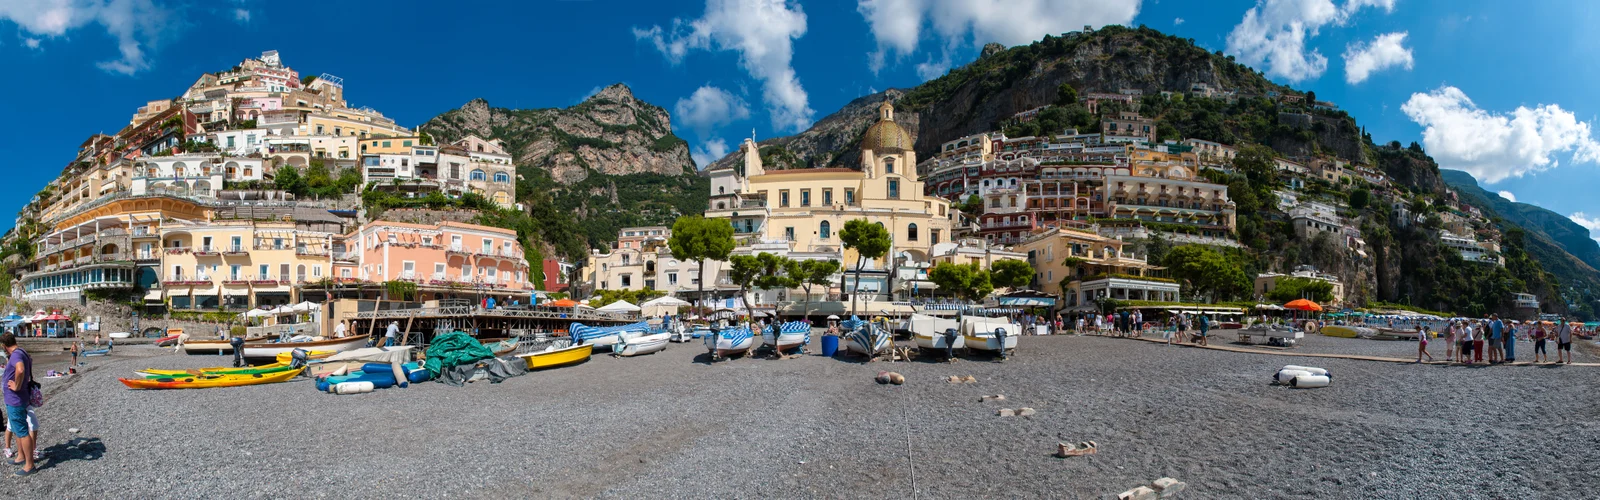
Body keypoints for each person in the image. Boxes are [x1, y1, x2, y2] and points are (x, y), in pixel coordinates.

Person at [2, 333, 35, 475]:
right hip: (17, 399)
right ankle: (21, 456)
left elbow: (20, 369)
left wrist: (16, 385)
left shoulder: (15, 355)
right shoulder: (21, 352)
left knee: (22, 431)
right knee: (17, 428)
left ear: (4, 346)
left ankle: (30, 465)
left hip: (15, 399)